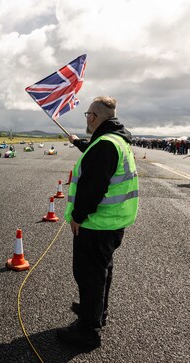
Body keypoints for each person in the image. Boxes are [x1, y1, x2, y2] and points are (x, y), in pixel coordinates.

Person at [58, 96, 139, 349]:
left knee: (89, 275)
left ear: (94, 117)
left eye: (87, 115)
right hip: (111, 223)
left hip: (96, 224)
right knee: (102, 271)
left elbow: (93, 187)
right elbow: (95, 156)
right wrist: (77, 142)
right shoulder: (115, 140)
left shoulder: (105, 145)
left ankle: (87, 331)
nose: (87, 119)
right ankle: (96, 312)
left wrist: (78, 216)